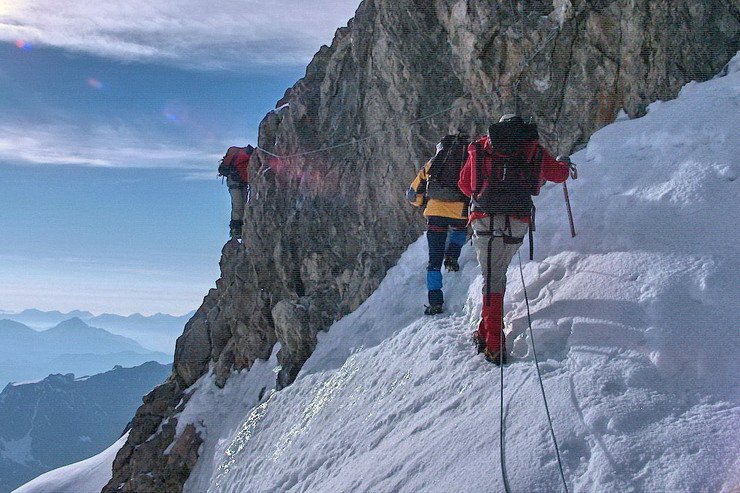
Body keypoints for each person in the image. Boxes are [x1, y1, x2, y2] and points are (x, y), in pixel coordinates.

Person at [458, 115, 572, 364]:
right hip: (518, 220)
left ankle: (494, 344)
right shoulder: (532, 148)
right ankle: (484, 331)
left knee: (493, 277)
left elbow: (465, 185)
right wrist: (565, 165)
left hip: (485, 217)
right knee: (496, 274)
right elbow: (558, 175)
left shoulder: (482, 147)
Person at [407, 133, 470, 315]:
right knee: (459, 230)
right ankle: (452, 256)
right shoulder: (470, 161)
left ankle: (435, 302)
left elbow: (414, 194)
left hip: (435, 213)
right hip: (460, 210)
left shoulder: (434, 163)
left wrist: (421, 202)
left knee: (434, 261)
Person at [218, 145, 254, 240]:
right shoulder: (246, 156)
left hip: (236, 182)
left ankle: (238, 229)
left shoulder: (242, 155)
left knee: (239, 205)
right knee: (239, 205)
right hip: (237, 182)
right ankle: (236, 229)